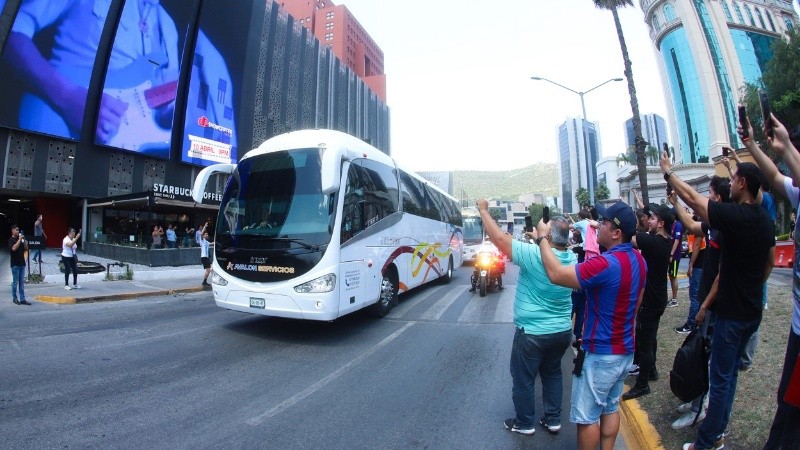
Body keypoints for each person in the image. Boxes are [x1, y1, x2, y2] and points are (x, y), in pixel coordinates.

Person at [661, 147, 775, 450]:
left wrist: (669, 173)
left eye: (734, 177)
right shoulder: (763, 220)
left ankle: (708, 441)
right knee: (729, 378)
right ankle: (718, 432)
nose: (731, 181)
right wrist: (752, 286)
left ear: (742, 185)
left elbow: (694, 200)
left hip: (733, 316)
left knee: (721, 380)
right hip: (750, 312)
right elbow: (770, 262)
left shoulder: (735, 216)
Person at [534, 200, 646, 450]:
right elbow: (636, 304)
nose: (598, 226)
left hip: (601, 354)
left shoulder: (604, 264)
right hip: (624, 350)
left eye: (604, 223)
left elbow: (556, 274)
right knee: (610, 407)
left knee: (587, 417)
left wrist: (543, 238)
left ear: (616, 233)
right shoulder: (639, 260)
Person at [476, 199, 576, 436]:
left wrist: (483, 210)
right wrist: (539, 237)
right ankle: (553, 419)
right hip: (561, 331)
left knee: (524, 378)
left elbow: (500, 240)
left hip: (532, 333)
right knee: (552, 373)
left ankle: (524, 422)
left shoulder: (532, 255)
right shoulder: (571, 259)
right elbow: (548, 250)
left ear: (548, 236)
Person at [733, 113, 800, 449]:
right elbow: (773, 175)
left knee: (794, 407)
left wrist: (786, 146)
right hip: (798, 328)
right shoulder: (797, 195)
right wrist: (750, 146)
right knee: (788, 400)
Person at [667, 176, 730, 430]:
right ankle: (695, 399)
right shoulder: (713, 224)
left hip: (715, 307)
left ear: (718, 198)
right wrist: (675, 203)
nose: (708, 198)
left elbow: (722, 274)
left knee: (706, 360)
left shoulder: (727, 227)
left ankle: (699, 408)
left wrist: (704, 306)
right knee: (698, 355)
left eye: (711, 194)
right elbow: (692, 226)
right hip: (707, 302)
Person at [622, 203, 675, 400]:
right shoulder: (665, 241)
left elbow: (629, 234)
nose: (647, 221)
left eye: (651, 218)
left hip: (651, 300)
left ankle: (642, 384)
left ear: (660, 223)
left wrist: (632, 219)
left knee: (644, 342)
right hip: (658, 298)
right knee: (650, 338)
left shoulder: (652, 242)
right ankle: (651, 371)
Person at [675, 221, 706, 334]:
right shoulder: (706, 223)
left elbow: (697, 245)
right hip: (704, 265)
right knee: (699, 295)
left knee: (695, 296)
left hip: (698, 266)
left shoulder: (700, 226)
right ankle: (698, 323)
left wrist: (691, 265)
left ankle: (691, 324)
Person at [9, 225, 31, 305]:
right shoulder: (11, 240)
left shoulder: (21, 240)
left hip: (22, 263)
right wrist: (19, 239)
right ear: (12, 230)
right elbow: (13, 248)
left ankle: (22, 299)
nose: (18, 231)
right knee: (15, 282)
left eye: (18, 230)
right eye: (16, 230)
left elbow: (26, 248)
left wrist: (24, 240)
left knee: (21, 283)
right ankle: (15, 298)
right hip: (15, 264)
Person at [666, 218, 684, 308]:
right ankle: (673, 298)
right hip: (671, 255)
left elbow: (676, 240)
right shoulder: (672, 225)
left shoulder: (678, 225)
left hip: (675, 256)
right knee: (671, 275)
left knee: (673, 276)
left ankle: (674, 299)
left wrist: (671, 254)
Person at [200, 222, 211, 287]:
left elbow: (212, 243)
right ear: (203, 236)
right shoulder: (202, 240)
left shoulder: (206, 242)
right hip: (204, 257)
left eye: (207, 234)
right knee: (208, 270)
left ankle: (205, 281)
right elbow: (201, 233)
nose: (207, 235)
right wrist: (205, 226)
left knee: (209, 269)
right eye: (205, 234)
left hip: (206, 257)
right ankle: (204, 282)